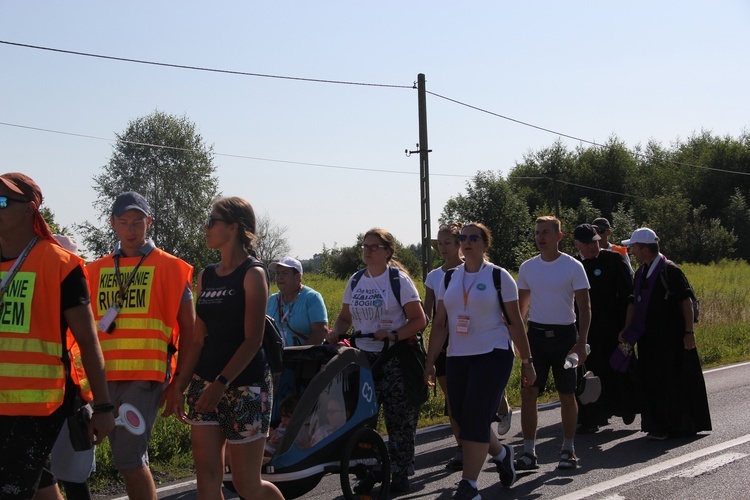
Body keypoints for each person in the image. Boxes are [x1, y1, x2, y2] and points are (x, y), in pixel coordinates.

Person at [0, 172, 115, 499]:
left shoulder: (61, 265)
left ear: (29, 209)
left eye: (2, 201)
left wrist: (104, 407)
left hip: (38, 406)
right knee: (40, 486)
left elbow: (89, 340)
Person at [162, 196, 283, 499]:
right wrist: (179, 385)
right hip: (205, 385)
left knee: (245, 484)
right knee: (207, 478)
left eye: (211, 221)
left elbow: (252, 340)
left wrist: (222, 384)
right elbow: (197, 338)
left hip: (246, 387)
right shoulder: (206, 275)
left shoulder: (253, 274)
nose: (205, 227)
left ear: (233, 227)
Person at [86, 191, 195, 500]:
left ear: (150, 222)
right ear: (113, 224)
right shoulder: (94, 271)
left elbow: (190, 331)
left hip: (145, 380)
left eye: (137, 222)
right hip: (101, 380)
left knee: (130, 459)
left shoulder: (171, 268)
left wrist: (179, 384)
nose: (131, 230)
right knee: (91, 457)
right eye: (124, 223)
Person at [424, 223, 536, 499]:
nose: (467, 242)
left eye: (474, 238)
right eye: (463, 237)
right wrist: (430, 361)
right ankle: (501, 453)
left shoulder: (499, 277)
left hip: (493, 353)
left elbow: (515, 323)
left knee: (475, 416)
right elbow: (440, 324)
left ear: (485, 244)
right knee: (461, 419)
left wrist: (527, 360)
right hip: (458, 356)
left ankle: (469, 485)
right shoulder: (448, 279)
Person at [326, 228, 427, 494]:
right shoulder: (357, 279)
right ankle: (370, 471)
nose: (367, 251)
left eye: (374, 246)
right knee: (364, 419)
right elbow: (346, 318)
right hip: (363, 359)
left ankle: (402, 472)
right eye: (365, 246)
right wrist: (336, 331)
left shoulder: (399, 280)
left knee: (400, 419)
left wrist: (394, 334)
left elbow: (419, 320)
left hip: (395, 357)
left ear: (388, 251)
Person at [618, 227, 711, 440]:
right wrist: (626, 327)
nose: (631, 251)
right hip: (648, 339)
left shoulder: (670, 271)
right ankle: (657, 425)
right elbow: (633, 301)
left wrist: (689, 332)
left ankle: (677, 425)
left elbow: (685, 300)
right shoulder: (641, 272)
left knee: (672, 381)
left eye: (633, 247)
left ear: (645, 248)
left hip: (672, 338)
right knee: (651, 380)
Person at [516, 216, 591, 471]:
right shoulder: (527, 267)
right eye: (537, 232)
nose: (540, 237)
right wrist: (518, 340)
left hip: (566, 339)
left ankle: (568, 450)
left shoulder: (572, 266)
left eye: (546, 232)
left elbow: (584, 307)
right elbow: (520, 309)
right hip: (536, 338)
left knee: (567, 394)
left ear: (558, 237)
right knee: (528, 393)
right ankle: (528, 452)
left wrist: (581, 344)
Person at [34, 236, 97, 500]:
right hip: (43, 397)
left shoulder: (77, 299)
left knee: (73, 475)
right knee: (38, 469)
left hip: (72, 400)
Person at [572, 224, 637, 433]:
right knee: (591, 374)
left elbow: (629, 294)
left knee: (621, 367)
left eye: (595, 241)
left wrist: (627, 326)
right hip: (588, 330)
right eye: (587, 243)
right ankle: (592, 418)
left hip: (615, 327)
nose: (593, 246)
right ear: (577, 245)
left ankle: (628, 406)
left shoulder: (612, 260)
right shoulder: (574, 266)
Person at [423, 223, 465, 470]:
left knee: (469, 394)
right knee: (451, 396)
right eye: (439, 244)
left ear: (459, 244)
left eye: (447, 243)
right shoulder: (434, 276)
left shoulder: (471, 270)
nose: (442, 248)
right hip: (443, 339)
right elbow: (427, 314)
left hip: (467, 336)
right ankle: (461, 446)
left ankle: (496, 409)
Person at [267, 256, 328, 347]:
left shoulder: (312, 298)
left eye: (285, 273)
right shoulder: (272, 300)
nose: (279, 277)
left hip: (304, 358)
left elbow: (320, 332)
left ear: (298, 276)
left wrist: (299, 355)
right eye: (278, 273)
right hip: (275, 357)